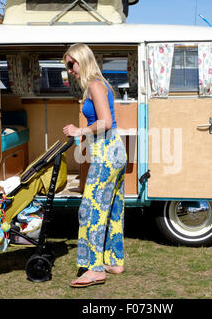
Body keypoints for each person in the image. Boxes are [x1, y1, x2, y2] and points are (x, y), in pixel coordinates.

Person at [63, 43, 127, 288]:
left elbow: (106, 121)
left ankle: (94, 269)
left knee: (89, 210)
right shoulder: (97, 85)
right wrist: (85, 137)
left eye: (71, 64)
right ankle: (114, 260)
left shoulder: (95, 85)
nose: (69, 70)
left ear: (82, 60)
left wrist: (79, 130)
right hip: (112, 151)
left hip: (107, 153)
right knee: (112, 208)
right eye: (67, 66)